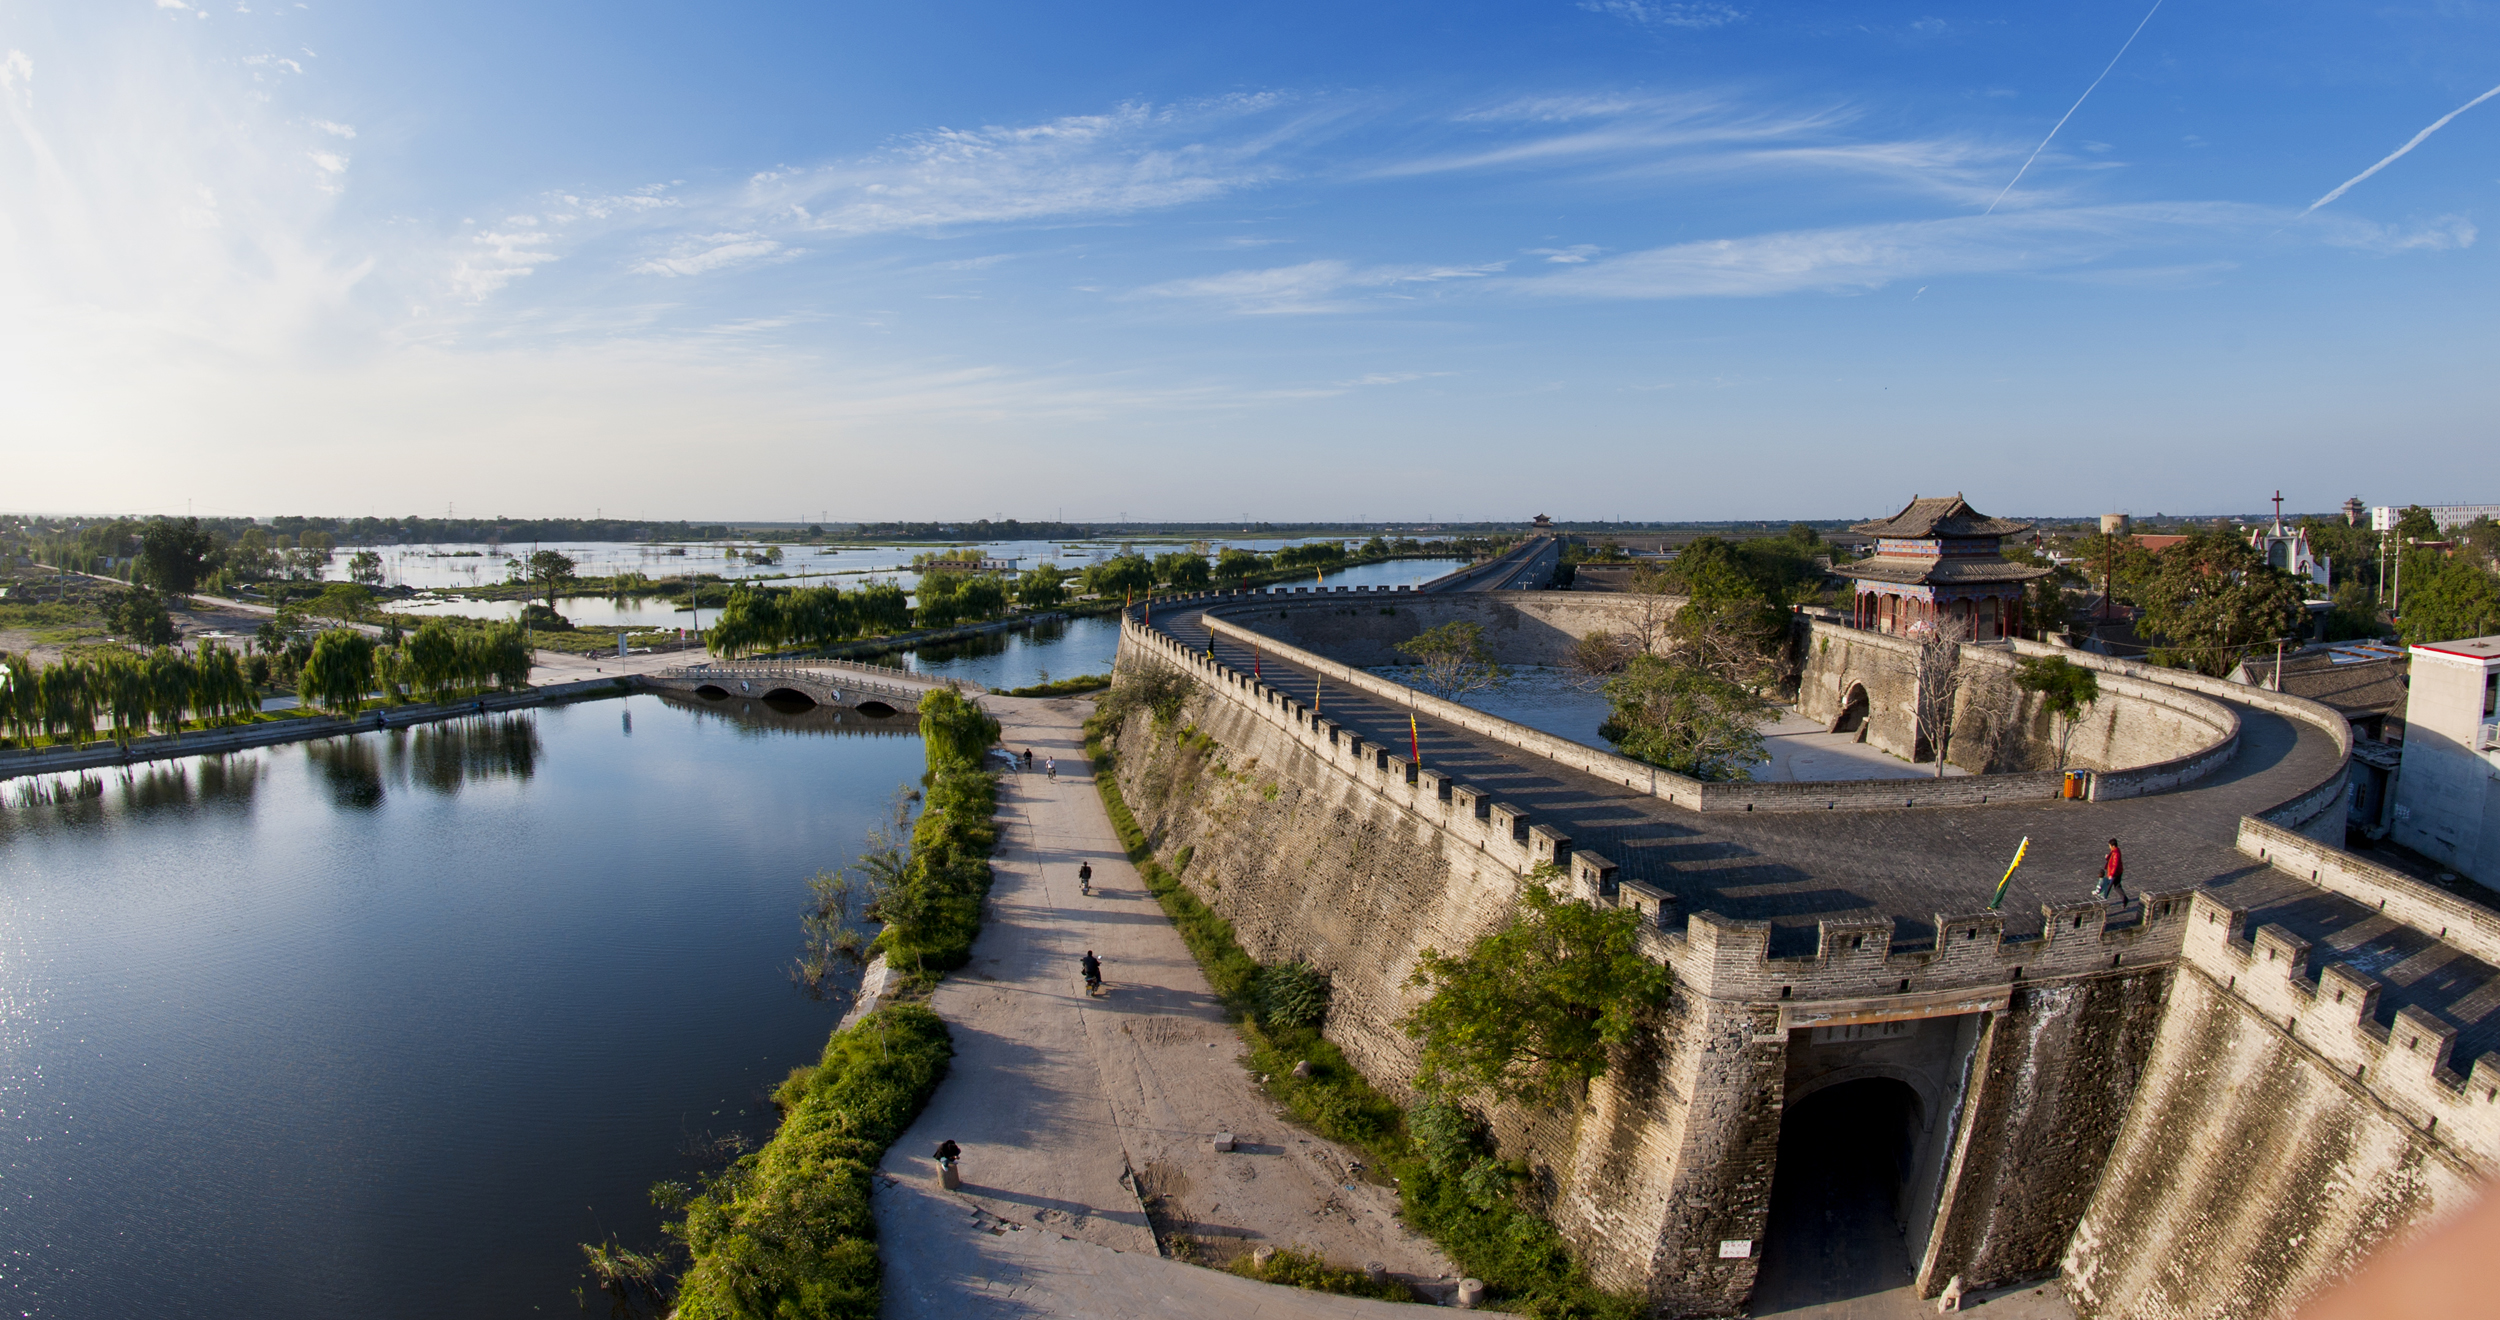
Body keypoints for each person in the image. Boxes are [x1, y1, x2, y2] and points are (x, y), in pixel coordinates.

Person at [2097, 838, 2129, 904]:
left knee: (2107, 887)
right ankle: (2124, 899)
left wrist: (2111, 874)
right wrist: (2107, 857)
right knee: (2117, 887)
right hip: (2118, 872)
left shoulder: (2116, 854)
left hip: (2114, 874)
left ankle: (2102, 902)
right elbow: (2110, 858)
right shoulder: (2115, 851)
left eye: (2110, 846)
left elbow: (2115, 865)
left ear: (2113, 846)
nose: (2109, 847)